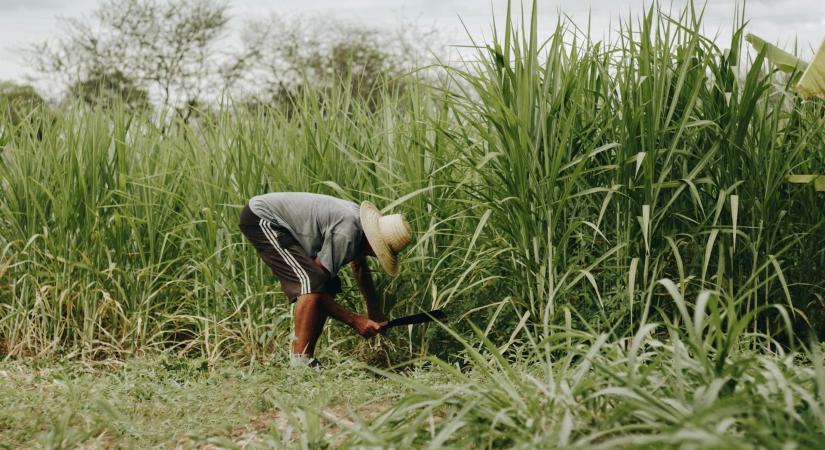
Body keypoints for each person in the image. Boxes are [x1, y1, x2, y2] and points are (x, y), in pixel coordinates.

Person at [238, 192, 412, 367]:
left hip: (276, 219)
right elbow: (314, 285)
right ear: (375, 242)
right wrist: (355, 320)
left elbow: (360, 269)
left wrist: (374, 311)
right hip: (262, 217)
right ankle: (299, 364)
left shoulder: (359, 228)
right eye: (381, 251)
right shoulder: (348, 232)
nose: (377, 255)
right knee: (311, 282)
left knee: (327, 284)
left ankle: (306, 358)